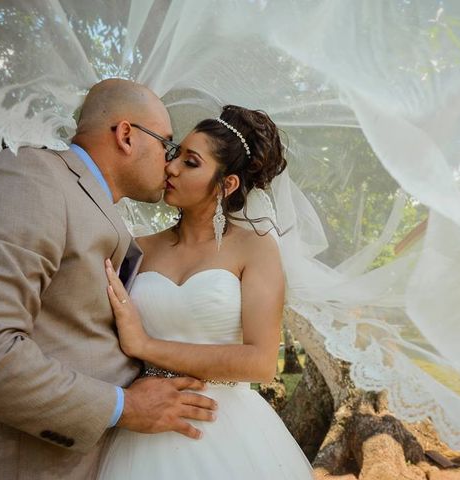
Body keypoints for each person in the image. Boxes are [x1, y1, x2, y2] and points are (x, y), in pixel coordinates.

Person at [0, 78, 217, 480]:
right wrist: (126, 406)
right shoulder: (28, 179)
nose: (170, 163)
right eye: (166, 145)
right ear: (126, 135)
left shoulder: (90, 202)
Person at [97, 105, 314, 479]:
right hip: (143, 424)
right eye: (175, 154)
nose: (171, 167)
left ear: (227, 184)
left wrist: (146, 346)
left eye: (191, 162)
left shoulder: (256, 248)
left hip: (226, 430)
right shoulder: (136, 248)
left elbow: (261, 362)